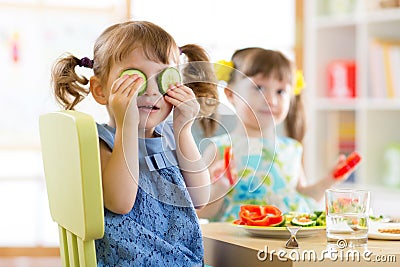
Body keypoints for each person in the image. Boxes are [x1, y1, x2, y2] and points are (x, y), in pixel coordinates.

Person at [51, 20, 217, 266]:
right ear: (101, 90)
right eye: (134, 80)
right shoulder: (100, 141)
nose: (151, 91)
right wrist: (127, 125)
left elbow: (200, 198)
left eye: (163, 79)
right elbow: (120, 202)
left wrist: (184, 129)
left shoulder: (172, 136)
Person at [197, 47, 357, 222]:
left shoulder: (291, 149)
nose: (271, 100)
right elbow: (200, 211)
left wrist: (329, 179)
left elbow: (301, 196)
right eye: (258, 88)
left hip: (289, 240)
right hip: (240, 243)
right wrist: (219, 189)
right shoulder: (220, 149)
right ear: (231, 94)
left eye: (280, 91)